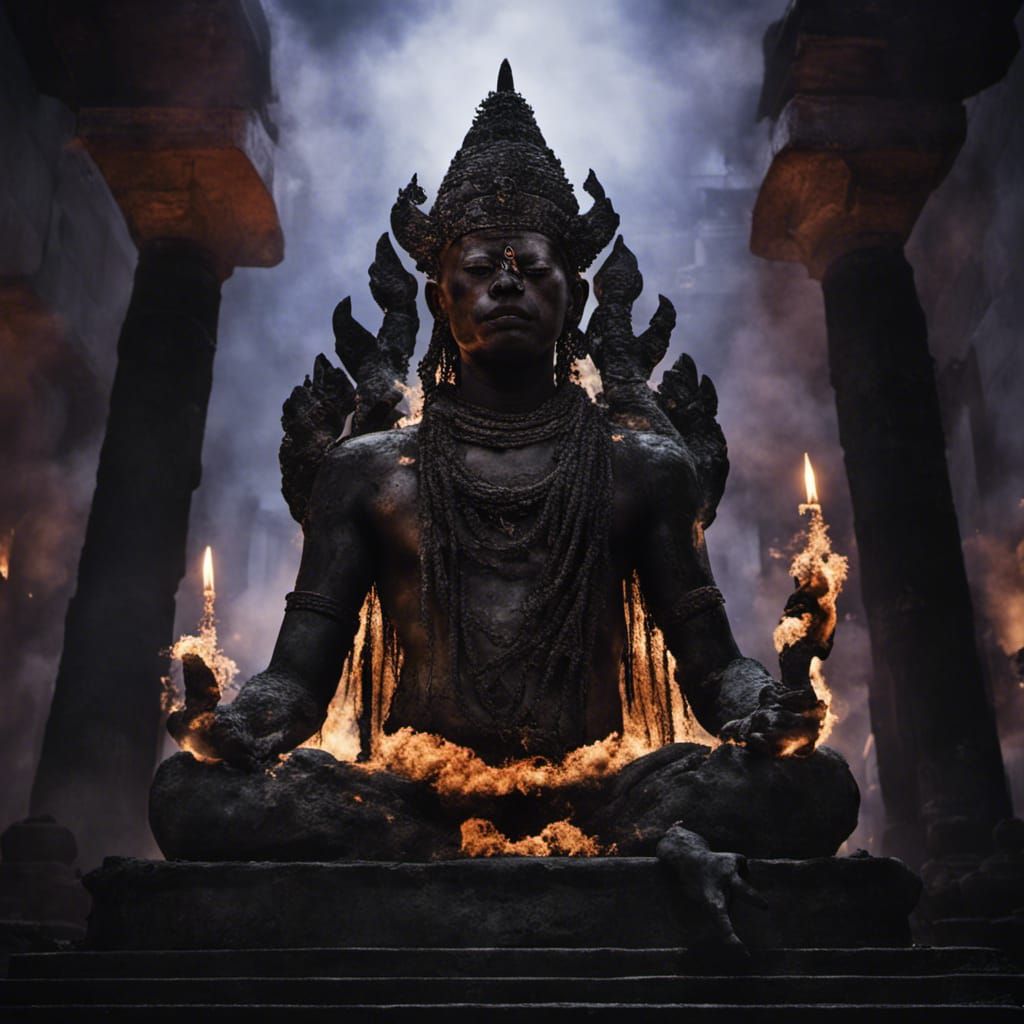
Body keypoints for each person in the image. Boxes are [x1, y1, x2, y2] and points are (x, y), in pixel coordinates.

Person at [152, 62, 857, 949]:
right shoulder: (371, 471)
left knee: (818, 785)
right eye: (481, 268)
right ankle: (583, 858)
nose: (509, 284)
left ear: (574, 292)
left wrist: (773, 705)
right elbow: (298, 680)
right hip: (414, 791)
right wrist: (233, 725)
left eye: (536, 267)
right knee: (188, 798)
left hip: (602, 784)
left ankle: (525, 854)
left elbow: (713, 670)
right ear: (442, 297)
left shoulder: (643, 467)